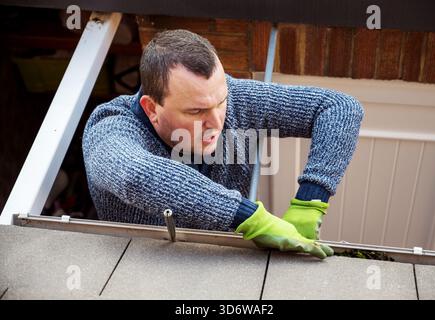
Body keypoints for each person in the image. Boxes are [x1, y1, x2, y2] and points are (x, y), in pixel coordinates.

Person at [82, 29, 364, 259]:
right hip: (136, 269)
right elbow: (136, 175)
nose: (217, 121)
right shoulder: (110, 127)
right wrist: (247, 216)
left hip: (224, 262)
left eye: (221, 102)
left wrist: (311, 199)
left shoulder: (233, 99)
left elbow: (339, 107)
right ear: (152, 109)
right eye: (196, 112)